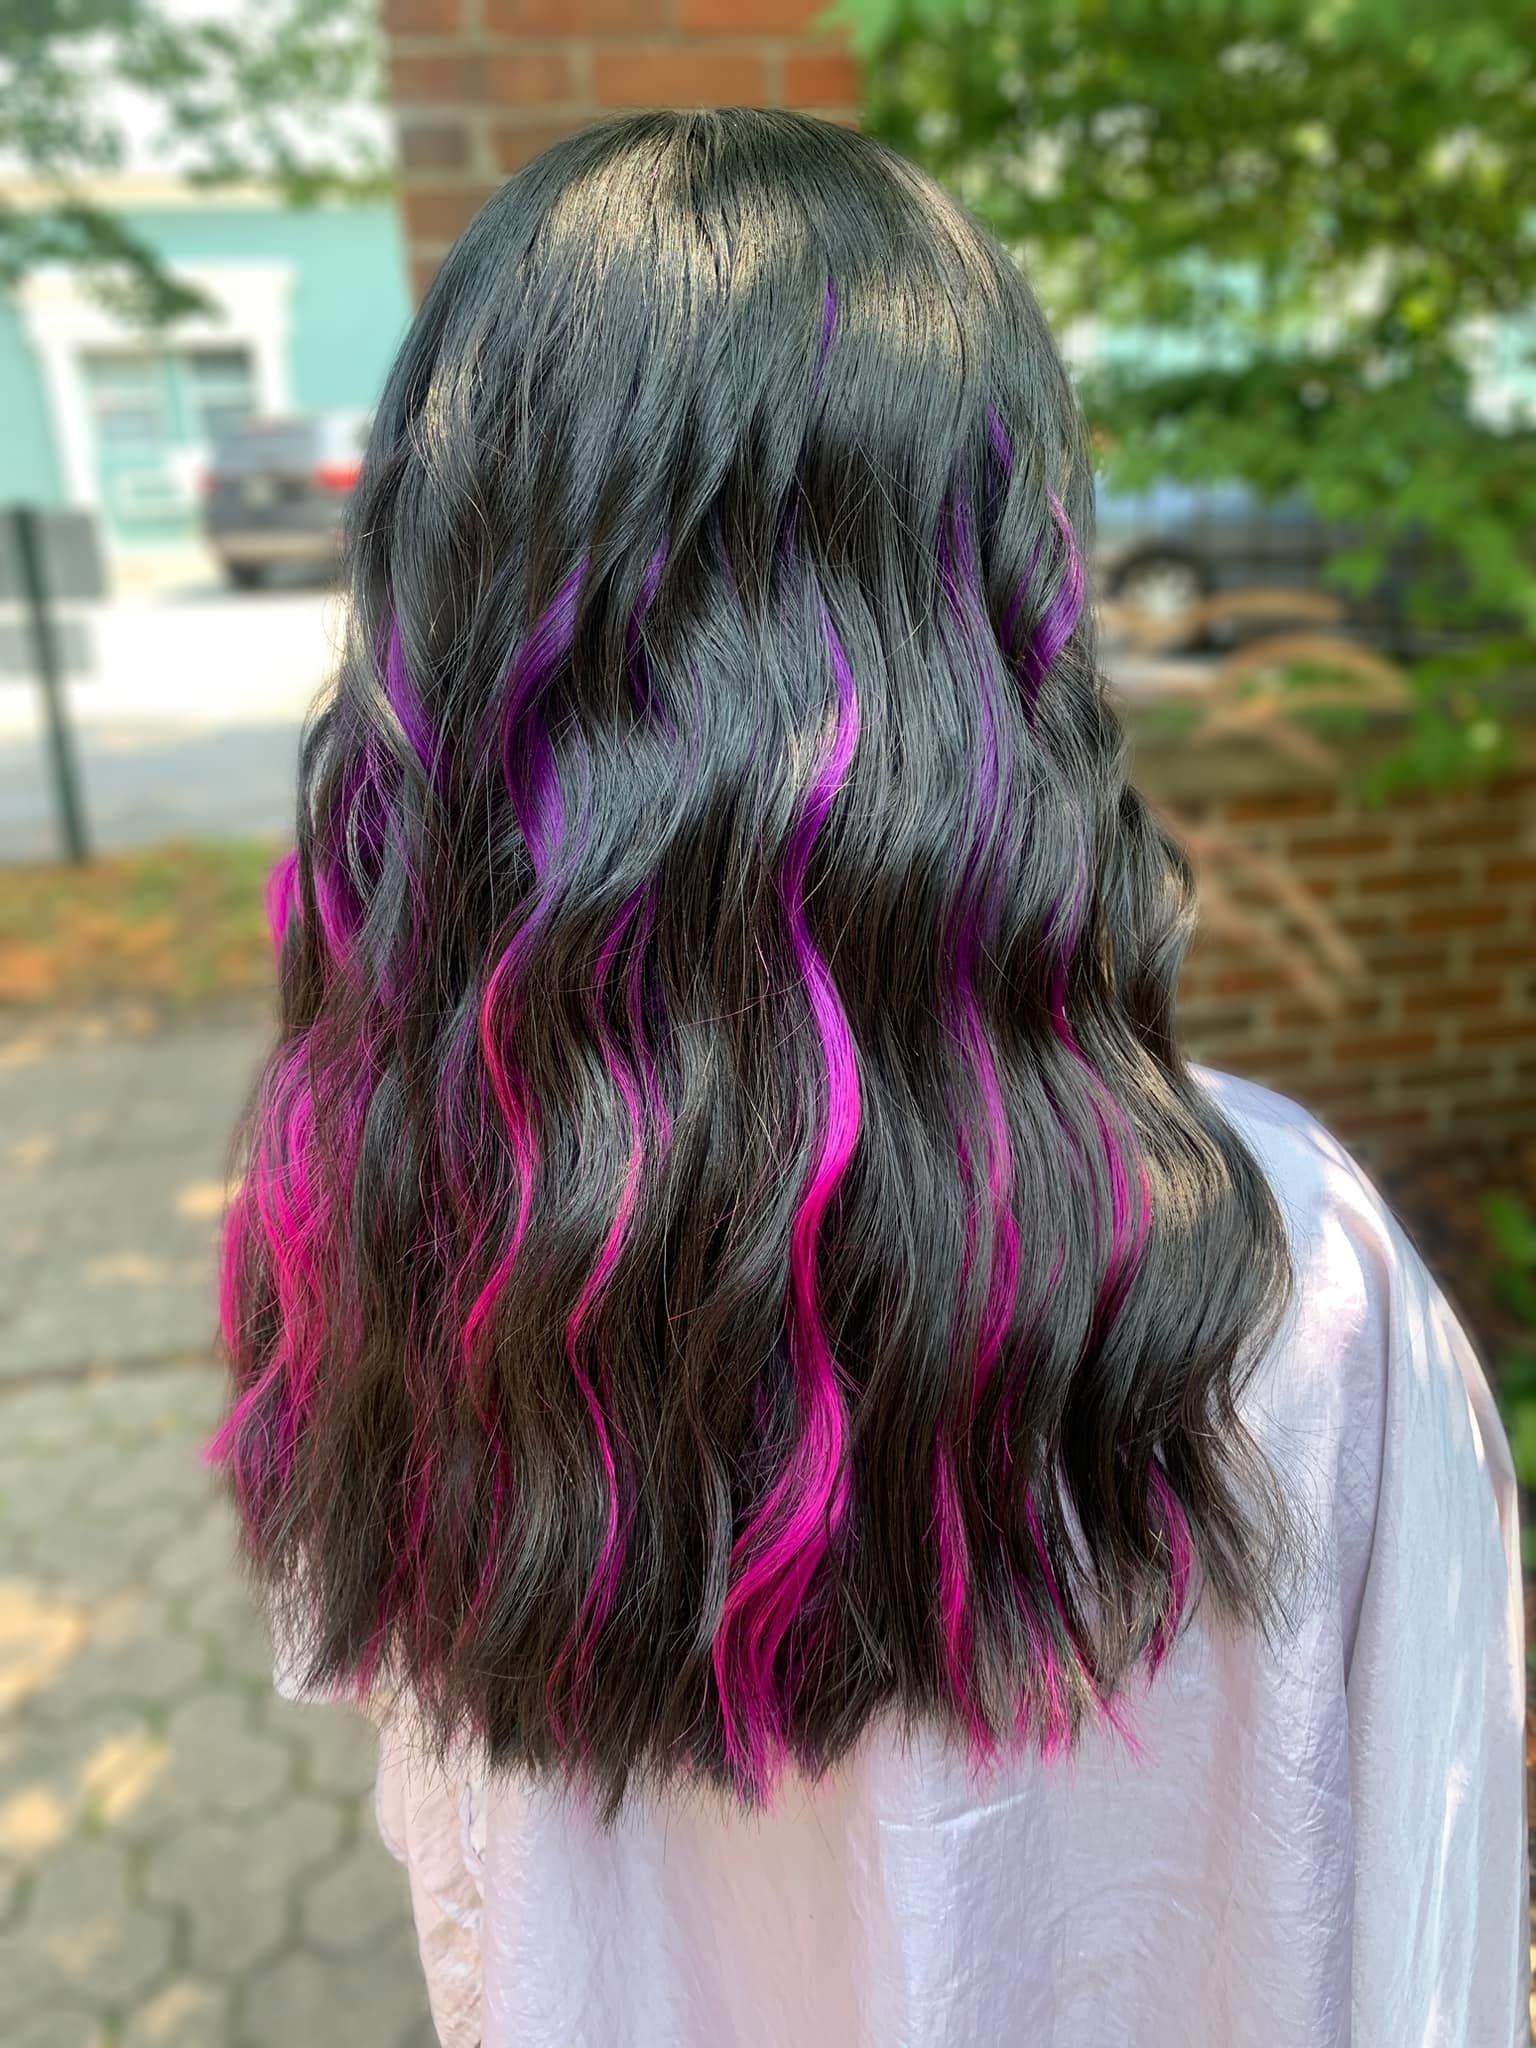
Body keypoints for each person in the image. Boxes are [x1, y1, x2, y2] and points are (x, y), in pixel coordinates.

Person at [211, 109, 1526, 2047]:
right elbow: (1445, 1924)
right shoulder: (1303, 1280)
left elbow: (454, 1851)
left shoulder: (387, 1236)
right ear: (1005, 611)